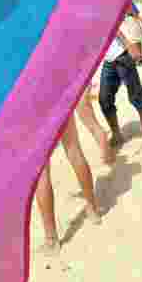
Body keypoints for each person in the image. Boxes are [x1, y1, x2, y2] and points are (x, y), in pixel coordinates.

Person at [34, 94, 105, 255]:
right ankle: (93, 210)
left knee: (42, 173)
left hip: (34, 107)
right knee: (75, 152)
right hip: (60, 99)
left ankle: (52, 240)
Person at [99, 22, 142, 148]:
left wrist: (129, 46)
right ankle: (116, 134)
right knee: (104, 99)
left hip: (122, 56)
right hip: (108, 61)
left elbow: (113, 27)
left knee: (136, 96)